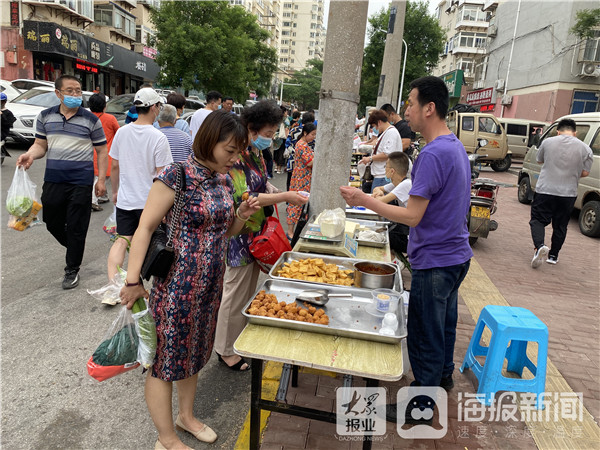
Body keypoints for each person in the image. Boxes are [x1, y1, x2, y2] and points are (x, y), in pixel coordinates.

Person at [119, 110, 260, 450]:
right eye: (229, 149)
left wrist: (240, 216)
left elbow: (223, 233)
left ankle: (187, 416)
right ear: (210, 142)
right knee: (164, 362)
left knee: (195, 353)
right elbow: (145, 228)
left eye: (238, 151)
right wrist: (133, 279)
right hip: (177, 287)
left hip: (211, 285)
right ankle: (165, 438)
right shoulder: (176, 175)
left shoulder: (224, 179)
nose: (235, 157)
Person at [340, 76, 472, 423]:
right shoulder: (455, 147)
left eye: (411, 103)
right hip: (457, 257)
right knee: (444, 325)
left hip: (436, 260)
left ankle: (421, 406)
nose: (406, 111)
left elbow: (413, 216)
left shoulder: (432, 154)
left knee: (425, 331)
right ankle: (441, 380)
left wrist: (366, 199)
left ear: (430, 108)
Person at [214, 101, 309, 371]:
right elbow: (246, 196)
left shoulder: (253, 153)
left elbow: (261, 182)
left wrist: (286, 192)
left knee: (246, 292)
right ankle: (225, 350)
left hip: (257, 232)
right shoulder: (236, 155)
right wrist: (286, 196)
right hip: (240, 232)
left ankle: (236, 341)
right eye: (269, 132)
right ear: (252, 129)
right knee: (234, 294)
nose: (271, 137)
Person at [16, 75, 109, 289]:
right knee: (51, 220)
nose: (76, 94)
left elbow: (102, 150)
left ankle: (72, 269)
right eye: (70, 91)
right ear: (58, 93)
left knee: (77, 226)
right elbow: (40, 145)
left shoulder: (90, 119)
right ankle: (74, 247)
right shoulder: (46, 117)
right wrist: (30, 155)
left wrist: (101, 180)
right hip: (54, 179)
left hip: (81, 182)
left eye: (78, 90)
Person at [107, 88, 173, 282]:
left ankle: (114, 284)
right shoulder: (158, 137)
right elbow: (163, 176)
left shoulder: (122, 132)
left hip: (126, 200)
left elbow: (115, 165)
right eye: (159, 106)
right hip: (149, 202)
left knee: (122, 240)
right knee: (151, 243)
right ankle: (141, 283)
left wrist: (116, 192)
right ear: (153, 107)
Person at [529, 118, 593, 268]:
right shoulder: (585, 149)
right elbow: (585, 172)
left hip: (545, 190)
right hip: (568, 193)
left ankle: (539, 246)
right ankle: (553, 255)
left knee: (537, 220)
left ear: (558, 131)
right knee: (560, 225)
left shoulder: (548, 142)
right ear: (575, 133)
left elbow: (540, 160)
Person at [372, 152, 412, 254]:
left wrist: (380, 196)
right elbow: (377, 189)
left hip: (410, 237)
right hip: (404, 229)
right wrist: (380, 192)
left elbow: (378, 203)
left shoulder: (406, 185)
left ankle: (396, 262)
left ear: (392, 171)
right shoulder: (396, 184)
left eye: (386, 166)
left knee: (382, 238)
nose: (385, 169)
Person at [89, 93, 120, 211]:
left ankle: (102, 196)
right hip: (105, 153)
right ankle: (93, 200)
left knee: (94, 177)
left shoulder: (88, 117)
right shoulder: (110, 118)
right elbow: (118, 133)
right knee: (101, 178)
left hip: (89, 152)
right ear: (104, 106)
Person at [358, 109, 402, 192]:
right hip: (380, 175)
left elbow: (387, 154)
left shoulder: (391, 133)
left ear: (379, 122)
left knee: (377, 201)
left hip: (383, 176)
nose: (375, 129)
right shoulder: (386, 132)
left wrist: (370, 159)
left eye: (375, 126)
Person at [287, 123, 316, 237]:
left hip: (302, 177)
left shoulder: (303, 144)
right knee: (296, 203)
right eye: (312, 134)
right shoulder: (302, 145)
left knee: (299, 203)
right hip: (301, 178)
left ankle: (293, 231)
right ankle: (290, 231)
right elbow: (309, 162)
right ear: (305, 133)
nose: (314, 137)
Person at [273, 106, 289, 174]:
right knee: (281, 153)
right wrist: (288, 136)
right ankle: (279, 168)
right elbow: (287, 129)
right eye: (286, 111)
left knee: (276, 152)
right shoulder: (286, 120)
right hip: (282, 138)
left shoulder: (276, 119)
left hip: (275, 138)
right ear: (284, 112)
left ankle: (276, 167)